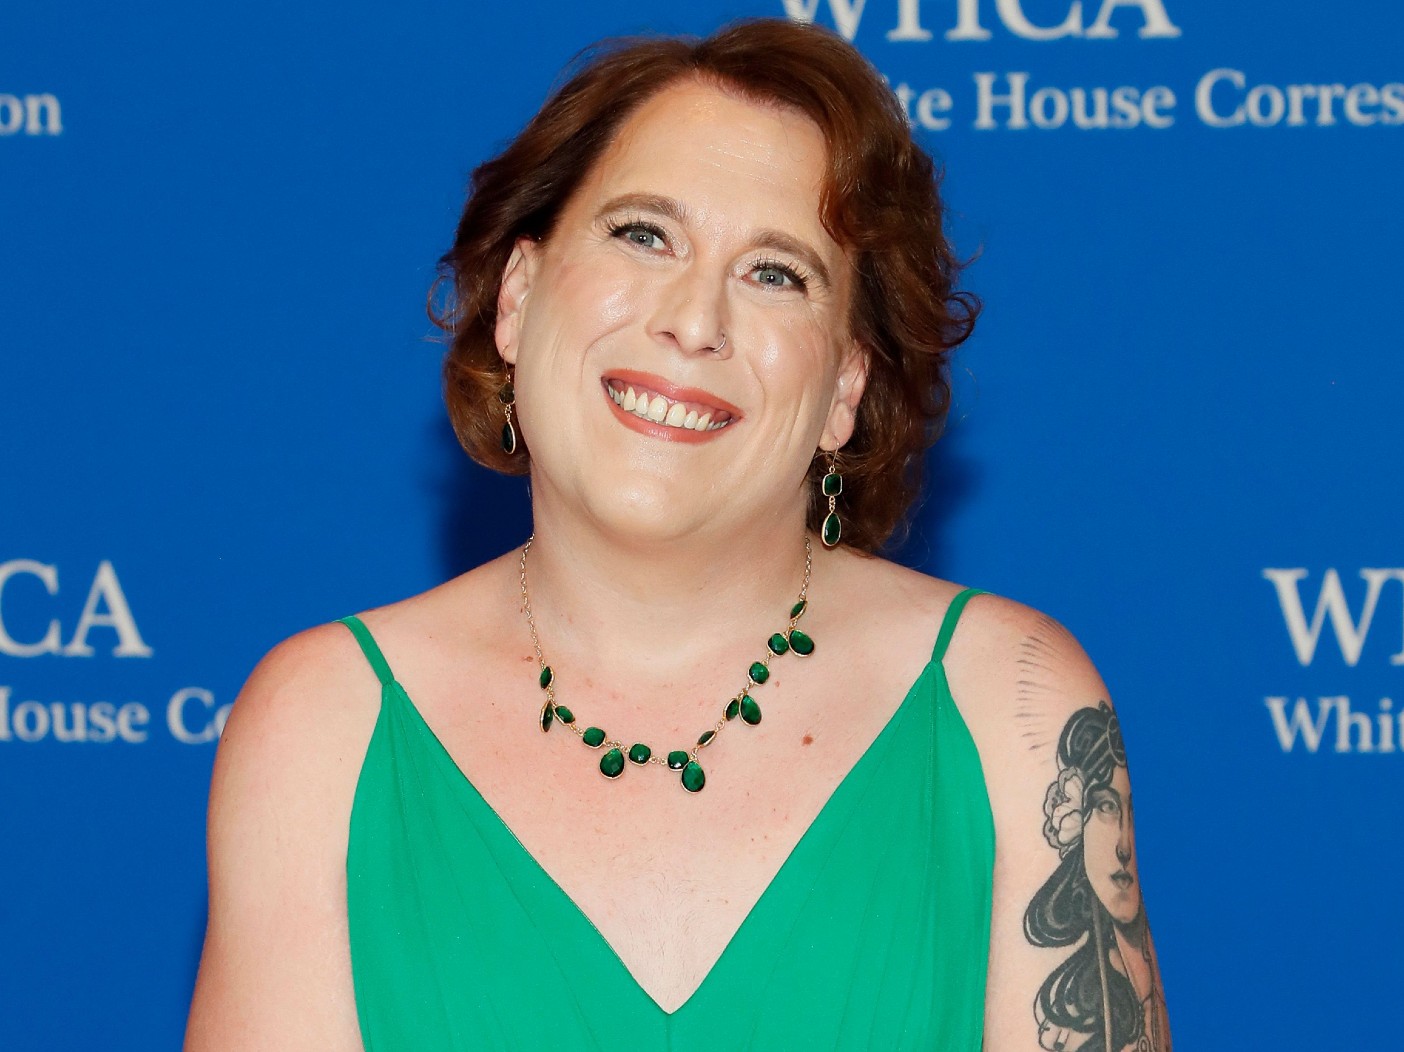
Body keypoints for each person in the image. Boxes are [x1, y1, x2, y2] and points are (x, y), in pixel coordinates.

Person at [184, 18, 1170, 1051]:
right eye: (644, 233)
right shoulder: (322, 727)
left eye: (776, 272)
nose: (695, 319)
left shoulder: (1010, 707)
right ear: (517, 300)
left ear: (844, 387)